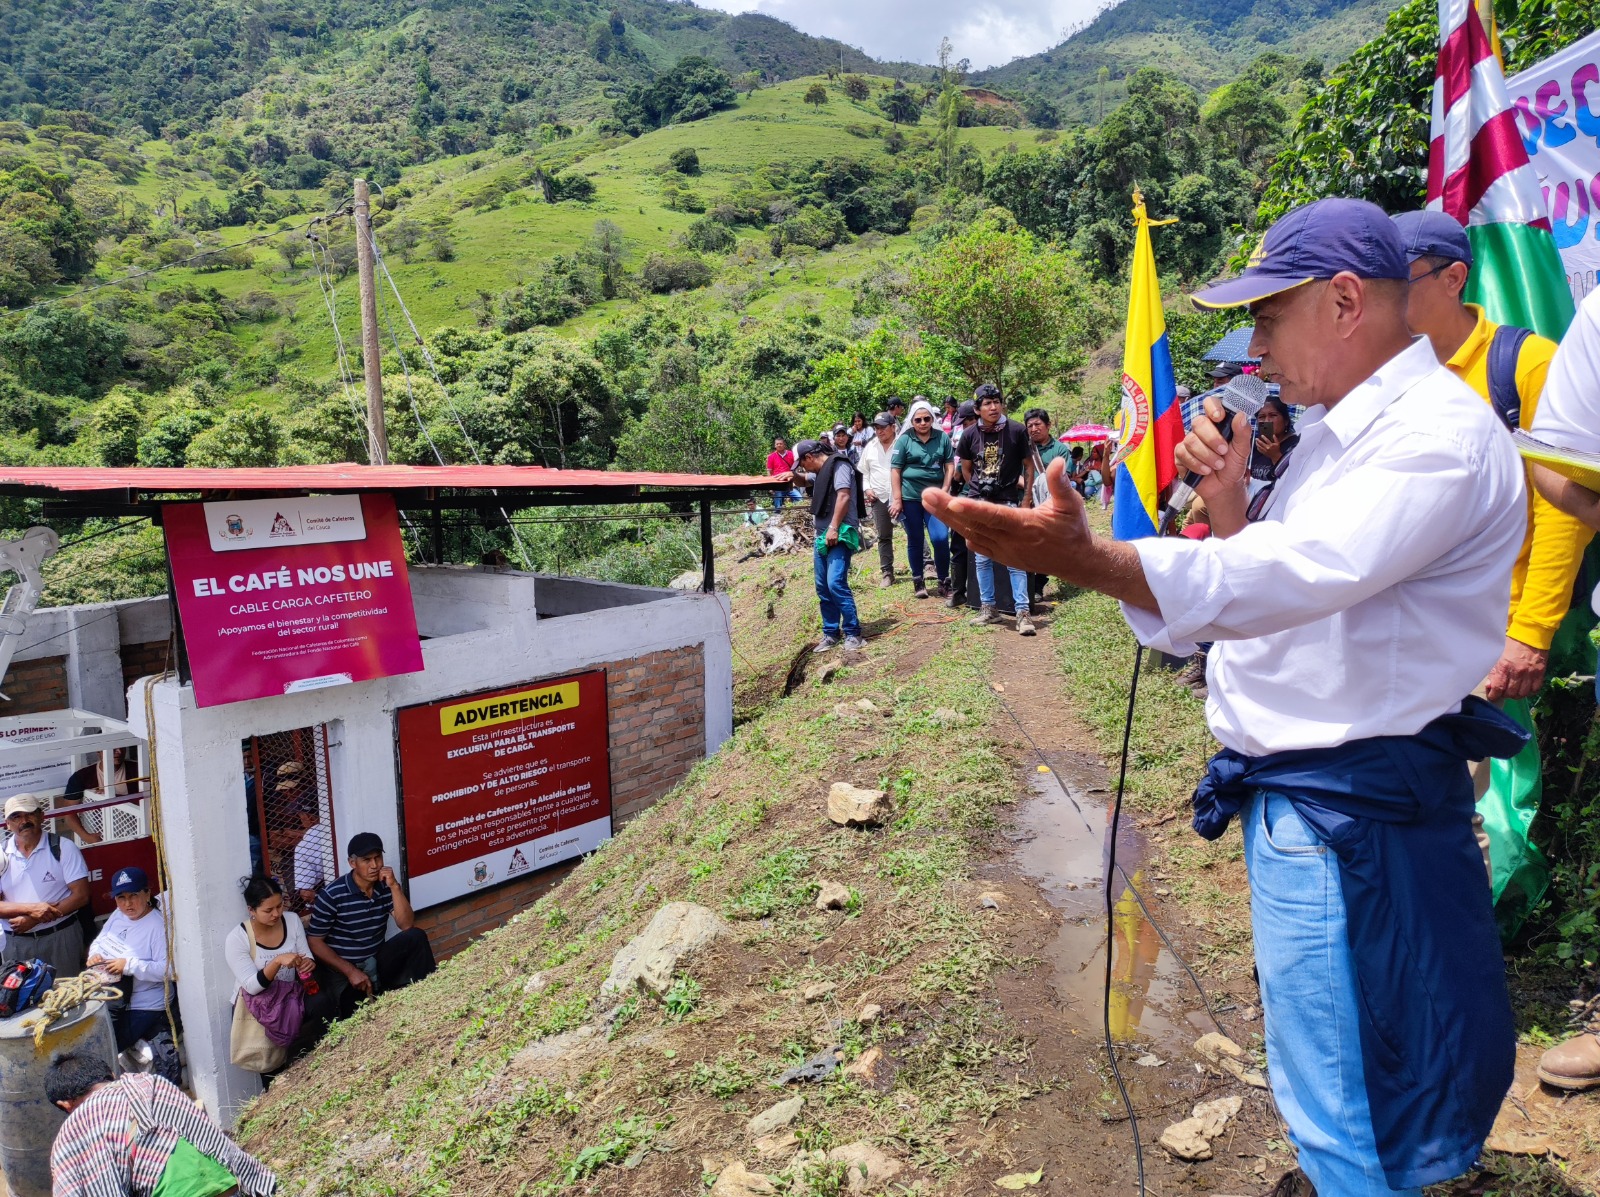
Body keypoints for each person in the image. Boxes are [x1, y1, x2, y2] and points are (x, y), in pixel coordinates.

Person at [927, 197, 1526, 1197]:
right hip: (1316, 795)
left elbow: (1285, 580)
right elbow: (1268, 593)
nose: (1251, 348)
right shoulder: (1336, 435)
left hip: (1352, 807)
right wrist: (1227, 500)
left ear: (1343, 302)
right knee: (1351, 1047)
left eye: (1264, 317)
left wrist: (1096, 561)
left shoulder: (1432, 440)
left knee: (1352, 1076)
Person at [1394, 209, 1591, 706]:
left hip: (1493, 631)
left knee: (1493, 778)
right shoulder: (1389, 375)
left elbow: (1563, 509)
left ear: (1453, 278)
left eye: (1398, 279)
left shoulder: (1526, 363)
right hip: (1403, 625)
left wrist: (1530, 631)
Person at [47, 1053, 278, 1197]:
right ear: (110, 1074)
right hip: (226, 1184)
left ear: (65, 1105)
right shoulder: (150, 1083)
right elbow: (206, 1134)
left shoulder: (71, 1135)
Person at [307, 832, 434, 1019]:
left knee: (415, 936)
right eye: (367, 860)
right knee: (359, 1018)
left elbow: (406, 924)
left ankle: (430, 992)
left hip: (376, 960)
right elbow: (315, 941)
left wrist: (394, 887)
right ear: (352, 863)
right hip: (347, 973)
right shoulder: (332, 895)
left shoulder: (383, 886)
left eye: (378, 858)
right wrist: (350, 971)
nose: (374, 866)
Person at [958, 383, 1036, 636]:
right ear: (977, 408)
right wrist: (978, 491)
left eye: (996, 402)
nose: (993, 407)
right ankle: (988, 608)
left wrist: (1025, 500)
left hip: (1008, 501)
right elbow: (966, 469)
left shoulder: (1016, 430)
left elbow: (1029, 466)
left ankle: (1023, 613)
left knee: (1013, 557)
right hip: (980, 502)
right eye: (986, 403)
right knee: (982, 558)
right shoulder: (969, 434)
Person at [226, 875, 326, 1061]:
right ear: (251, 910)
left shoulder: (292, 920)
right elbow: (252, 986)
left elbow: (306, 956)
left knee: (322, 1003)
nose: (276, 914)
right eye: (268, 910)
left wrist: (307, 963)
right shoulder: (237, 938)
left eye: (279, 906)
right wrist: (277, 960)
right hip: (256, 1009)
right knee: (269, 1064)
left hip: (288, 999)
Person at [0, 793, 89, 973]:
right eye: (16, 816)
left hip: (61, 937)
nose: (24, 821)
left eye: (30, 814)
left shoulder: (64, 847)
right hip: (17, 943)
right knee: (21, 999)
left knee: (66, 996)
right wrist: (31, 910)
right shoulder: (1, 854)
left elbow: (81, 896)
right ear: (8, 824)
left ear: (42, 816)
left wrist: (33, 919)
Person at [85, 866, 173, 1050]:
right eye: (121, 898)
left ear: (147, 893)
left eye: (133, 895)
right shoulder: (118, 915)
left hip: (144, 1004)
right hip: (109, 993)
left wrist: (128, 965)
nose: (127, 904)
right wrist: (94, 955)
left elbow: (169, 970)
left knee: (107, 1047)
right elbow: (99, 941)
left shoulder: (157, 926)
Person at [792, 438, 863, 652]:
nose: (803, 467)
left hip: (840, 532)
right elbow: (803, 480)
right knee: (822, 586)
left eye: (802, 463)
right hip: (822, 534)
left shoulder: (839, 465)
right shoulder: (821, 471)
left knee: (835, 583)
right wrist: (791, 475)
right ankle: (831, 632)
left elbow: (843, 496)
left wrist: (833, 527)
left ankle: (853, 633)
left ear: (809, 457)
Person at [890, 399, 955, 599]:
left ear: (932, 419)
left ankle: (944, 580)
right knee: (916, 539)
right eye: (918, 420)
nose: (923, 423)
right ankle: (918, 580)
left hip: (935, 498)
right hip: (910, 498)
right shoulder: (904, 440)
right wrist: (897, 499)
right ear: (912, 421)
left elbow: (950, 465)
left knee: (940, 538)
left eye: (927, 418)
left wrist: (945, 489)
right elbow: (895, 470)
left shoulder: (942, 438)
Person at [1025, 408, 1071, 606]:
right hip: (1026, 501)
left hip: (1050, 502)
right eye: (1030, 426)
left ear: (1048, 425)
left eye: (1038, 425)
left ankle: (1038, 584)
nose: (1034, 429)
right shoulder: (1024, 449)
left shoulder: (1060, 450)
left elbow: (1064, 476)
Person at [58, 747, 136, 845]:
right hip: (99, 836)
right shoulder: (81, 777)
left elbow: (151, 802)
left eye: (122, 747)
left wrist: (116, 798)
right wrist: (87, 837)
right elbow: (68, 813)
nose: (119, 752)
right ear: (98, 751)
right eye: (113, 748)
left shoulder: (138, 769)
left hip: (135, 834)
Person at [945, 400, 980, 608]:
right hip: (969, 498)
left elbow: (958, 474)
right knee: (961, 545)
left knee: (960, 546)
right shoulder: (968, 438)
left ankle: (960, 592)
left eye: (965, 422)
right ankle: (960, 592)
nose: (964, 427)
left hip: (972, 498)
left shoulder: (970, 439)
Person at [860, 412, 898, 588]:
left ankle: (927, 565)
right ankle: (887, 573)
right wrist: (867, 488)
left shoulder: (902, 443)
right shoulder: (870, 447)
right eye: (876, 427)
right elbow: (864, 472)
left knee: (914, 532)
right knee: (883, 536)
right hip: (879, 497)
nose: (879, 431)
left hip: (900, 495)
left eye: (883, 427)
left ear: (893, 427)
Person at [1249, 394, 1299, 483]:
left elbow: (1293, 479)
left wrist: (1275, 456)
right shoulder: (1254, 445)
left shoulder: (1296, 445)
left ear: (1286, 421)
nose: (1267, 421)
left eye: (1273, 415)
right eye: (1261, 417)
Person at [766, 438, 802, 511]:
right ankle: (777, 517)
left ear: (784, 445)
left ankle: (797, 513)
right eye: (777, 444)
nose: (779, 445)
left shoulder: (791, 454)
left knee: (799, 499)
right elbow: (769, 471)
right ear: (775, 445)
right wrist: (770, 486)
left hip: (790, 482)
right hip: (778, 483)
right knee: (778, 504)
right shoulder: (771, 457)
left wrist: (797, 480)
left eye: (780, 443)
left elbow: (796, 468)